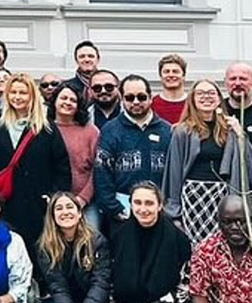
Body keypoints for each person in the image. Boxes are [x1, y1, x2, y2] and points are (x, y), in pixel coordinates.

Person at [162, 79, 252, 247]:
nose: (206, 97)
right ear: (192, 99)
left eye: (211, 93)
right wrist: (174, 210)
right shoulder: (182, 131)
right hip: (193, 197)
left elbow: (251, 168)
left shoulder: (229, 130)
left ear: (218, 98)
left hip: (222, 195)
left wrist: (240, 135)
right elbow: (174, 171)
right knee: (196, 244)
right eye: (200, 93)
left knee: (221, 244)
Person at [0, 73, 71, 260]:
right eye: (13, 92)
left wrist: (54, 196)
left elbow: (61, 165)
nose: (17, 97)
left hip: (36, 202)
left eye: (23, 92)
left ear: (32, 95)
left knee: (37, 249)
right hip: (4, 200)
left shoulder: (46, 127)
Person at [37, 191, 112, 303]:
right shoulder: (45, 247)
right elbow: (58, 288)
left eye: (70, 207)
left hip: (91, 302)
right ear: (53, 216)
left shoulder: (97, 241)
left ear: (79, 213)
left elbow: (100, 284)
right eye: (59, 208)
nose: (65, 212)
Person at [95, 74, 172, 233]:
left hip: (160, 212)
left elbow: (174, 173)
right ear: (121, 99)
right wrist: (115, 209)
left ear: (150, 98)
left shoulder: (167, 131)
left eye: (141, 97)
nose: (136, 102)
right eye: (130, 98)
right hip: (122, 212)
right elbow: (102, 173)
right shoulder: (110, 130)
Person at [223, 61, 252, 234]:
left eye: (243, 79)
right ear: (226, 83)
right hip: (225, 194)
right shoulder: (218, 112)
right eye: (233, 78)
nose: (237, 83)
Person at [50, 85, 100, 231]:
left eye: (73, 100)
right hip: (54, 203)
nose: (68, 102)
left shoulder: (91, 132)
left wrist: (82, 199)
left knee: (91, 242)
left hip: (86, 203)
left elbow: (97, 169)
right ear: (54, 101)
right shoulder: (44, 129)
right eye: (64, 98)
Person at [152, 53, 188, 125]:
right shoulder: (151, 104)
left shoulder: (193, 103)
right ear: (160, 76)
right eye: (166, 72)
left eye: (175, 71)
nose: (171, 75)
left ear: (183, 76)